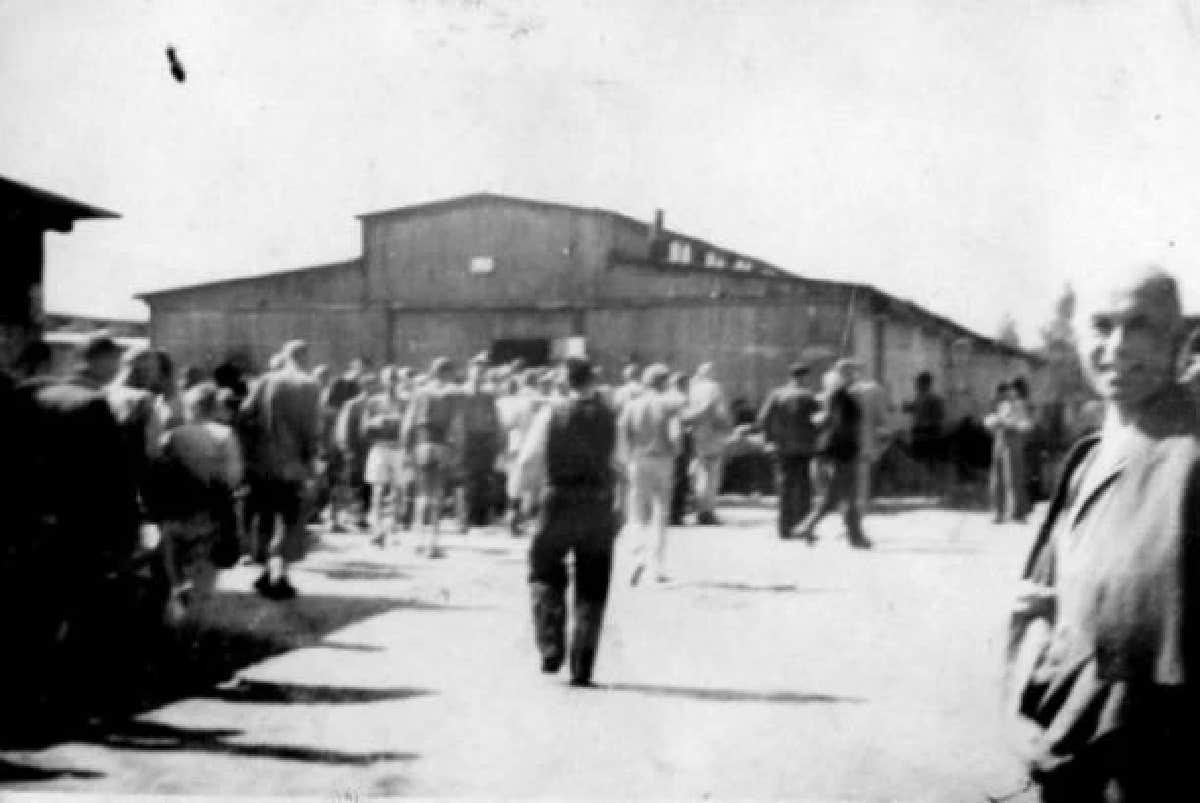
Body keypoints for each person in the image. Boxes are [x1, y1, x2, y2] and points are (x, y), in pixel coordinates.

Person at [1005, 266, 1200, 801]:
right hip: (1077, 731)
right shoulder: (1090, 453)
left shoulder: (1191, 447)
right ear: (1077, 337)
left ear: (1179, 341)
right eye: (1101, 325)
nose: (1117, 346)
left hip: (1161, 748)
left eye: (1140, 326)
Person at [515, 357, 619, 687]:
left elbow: (529, 459)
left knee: (544, 570)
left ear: (565, 382)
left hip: (557, 499)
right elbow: (622, 463)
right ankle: (582, 665)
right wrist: (622, 508)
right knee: (593, 583)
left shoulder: (550, 413)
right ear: (593, 381)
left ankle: (550, 645)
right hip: (598, 503)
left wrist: (521, 498)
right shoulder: (609, 417)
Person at [154, 382, 244, 626]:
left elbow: (158, 468)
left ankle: (177, 600)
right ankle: (194, 628)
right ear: (214, 407)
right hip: (211, 514)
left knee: (175, 565)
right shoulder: (224, 435)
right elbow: (233, 477)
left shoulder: (173, 435)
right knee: (205, 575)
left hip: (175, 512)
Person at [237, 339, 321, 599]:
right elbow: (312, 428)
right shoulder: (310, 385)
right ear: (305, 358)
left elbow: (244, 414)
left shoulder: (265, 381)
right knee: (290, 517)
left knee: (264, 515)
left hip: (263, 462)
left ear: (285, 356)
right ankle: (279, 572)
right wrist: (311, 461)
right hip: (293, 461)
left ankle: (265, 571)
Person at [792, 360, 871, 548]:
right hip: (842, 452)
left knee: (847, 496)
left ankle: (855, 536)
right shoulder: (842, 398)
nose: (856, 376)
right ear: (844, 377)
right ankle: (808, 525)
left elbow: (829, 422)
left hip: (838, 451)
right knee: (835, 496)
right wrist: (849, 447)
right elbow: (840, 427)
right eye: (852, 373)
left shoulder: (833, 397)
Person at [619, 363, 683, 584]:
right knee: (660, 512)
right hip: (662, 459)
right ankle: (658, 566)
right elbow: (676, 437)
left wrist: (627, 459)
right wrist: (676, 452)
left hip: (637, 460)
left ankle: (637, 557)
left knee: (636, 513)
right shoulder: (669, 405)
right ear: (664, 381)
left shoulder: (632, 405)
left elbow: (623, 434)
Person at [401, 356, 458, 558]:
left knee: (421, 493)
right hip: (440, 443)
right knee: (437, 494)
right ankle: (433, 543)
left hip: (421, 443)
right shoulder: (450, 395)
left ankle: (419, 541)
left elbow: (408, 423)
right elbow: (453, 425)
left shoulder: (420, 393)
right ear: (446, 372)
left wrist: (406, 447)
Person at [756, 362, 820, 539]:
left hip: (782, 447)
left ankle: (784, 529)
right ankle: (803, 527)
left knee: (785, 487)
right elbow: (819, 421)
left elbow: (763, 418)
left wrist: (769, 440)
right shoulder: (810, 396)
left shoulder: (777, 394)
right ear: (804, 377)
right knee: (804, 488)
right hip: (805, 448)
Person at [362, 365, 408, 546]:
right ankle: (377, 529)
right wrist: (377, 421)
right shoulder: (374, 402)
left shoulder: (405, 402)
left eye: (395, 379)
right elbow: (364, 427)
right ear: (383, 381)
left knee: (397, 491)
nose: (392, 382)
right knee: (378, 490)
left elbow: (409, 423)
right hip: (380, 448)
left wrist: (398, 421)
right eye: (388, 378)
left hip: (398, 449)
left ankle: (392, 527)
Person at [457, 352, 502, 530]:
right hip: (468, 437)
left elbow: (494, 417)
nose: (479, 372)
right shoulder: (462, 392)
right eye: (477, 368)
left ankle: (481, 516)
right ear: (470, 370)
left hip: (485, 437)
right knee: (468, 477)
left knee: (484, 477)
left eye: (482, 369)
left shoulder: (488, 395)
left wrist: (496, 436)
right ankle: (466, 516)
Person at [685, 362, 732, 525]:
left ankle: (699, 507)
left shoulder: (694, 388)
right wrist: (725, 428)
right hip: (712, 433)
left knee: (700, 471)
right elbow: (715, 409)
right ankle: (707, 511)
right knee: (711, 475)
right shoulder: (714, 387)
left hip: (698, 433)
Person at [334, 370, 379, 531]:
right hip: (356, 451)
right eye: (369, 384)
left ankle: (363, 517)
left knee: (369, 484)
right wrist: (346, 448)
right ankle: (353, 516)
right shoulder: (353, 404)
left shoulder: (377, 404)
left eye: (374, 384)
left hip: (371, 450)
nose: (372, 387)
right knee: (355, 484)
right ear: (362, 386)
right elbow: (344, 428)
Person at [844, 359, 890, 511]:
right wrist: (883, 440)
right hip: (865, 439)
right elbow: (881, 417)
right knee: (863, 474)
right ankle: (861, 507)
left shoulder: (845, 389)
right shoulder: (875, 389)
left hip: (846, 439)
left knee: (848, 476)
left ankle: (850, 508)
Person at [986, 381, 1033, 523]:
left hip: (1013, 442)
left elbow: (1026, 425)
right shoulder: (1001, 405)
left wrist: (1010, 424)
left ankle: (1018, 513)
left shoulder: (1020, 405)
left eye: (1010, 390)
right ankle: (998, 512)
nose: (1007, 394)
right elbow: (989, 420)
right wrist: (994, 422)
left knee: (1014, 479)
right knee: (997, 479)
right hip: (1000, 441)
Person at [902, 371, 946, 497]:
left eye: (918, 383)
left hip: (929, 433)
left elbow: (939, 417)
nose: (916, 385)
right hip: (920, 432)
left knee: (929, 462)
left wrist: (928, 426)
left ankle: (933, 489)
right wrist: (907, 407)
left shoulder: (933, 399)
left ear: (925, 384)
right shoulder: (919, 397)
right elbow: (912, 408)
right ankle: (928, 488)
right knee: (924, 462)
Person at [667, 371, 694, 525]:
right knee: (680, 477)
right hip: (681, 439)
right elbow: (686, 420)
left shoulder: (667, 397)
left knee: (673, 476)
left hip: (667, 441)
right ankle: (676, 514)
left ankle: (670, 513)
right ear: (683, 384)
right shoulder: (682, 399)